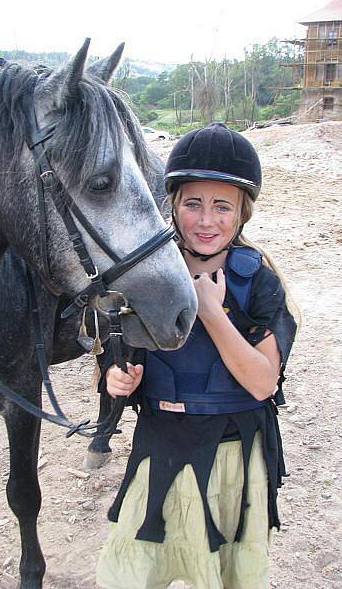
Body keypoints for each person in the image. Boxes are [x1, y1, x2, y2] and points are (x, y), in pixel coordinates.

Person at [96, 122, 297, 589]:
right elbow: (117, 358)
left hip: (231, 453)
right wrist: (117, 380)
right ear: (173, 206)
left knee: (226, 575)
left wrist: (211, 311)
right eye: (193, 204)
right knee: (130, 575)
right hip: (159, 444)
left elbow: (263, 382)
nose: (207, 221)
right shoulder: (144, 279)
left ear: (242, 214)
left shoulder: (258, 282)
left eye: (222, 206)